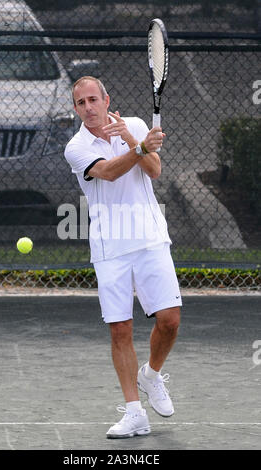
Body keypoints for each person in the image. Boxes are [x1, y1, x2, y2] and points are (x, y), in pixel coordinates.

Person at [64, 76, 182, 439]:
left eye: (92, 100)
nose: (88, 108)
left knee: (170, 321)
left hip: (149, 238)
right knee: (121, 328)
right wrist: (140, 148)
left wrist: (136, 141)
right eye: (81, 103)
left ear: (105, 99)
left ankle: (150, 374)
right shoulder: (76, 147)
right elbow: (109, 173)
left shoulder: (133, 126)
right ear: (76, 109)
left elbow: (155, 170)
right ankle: (134, 413)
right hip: (109, 249)